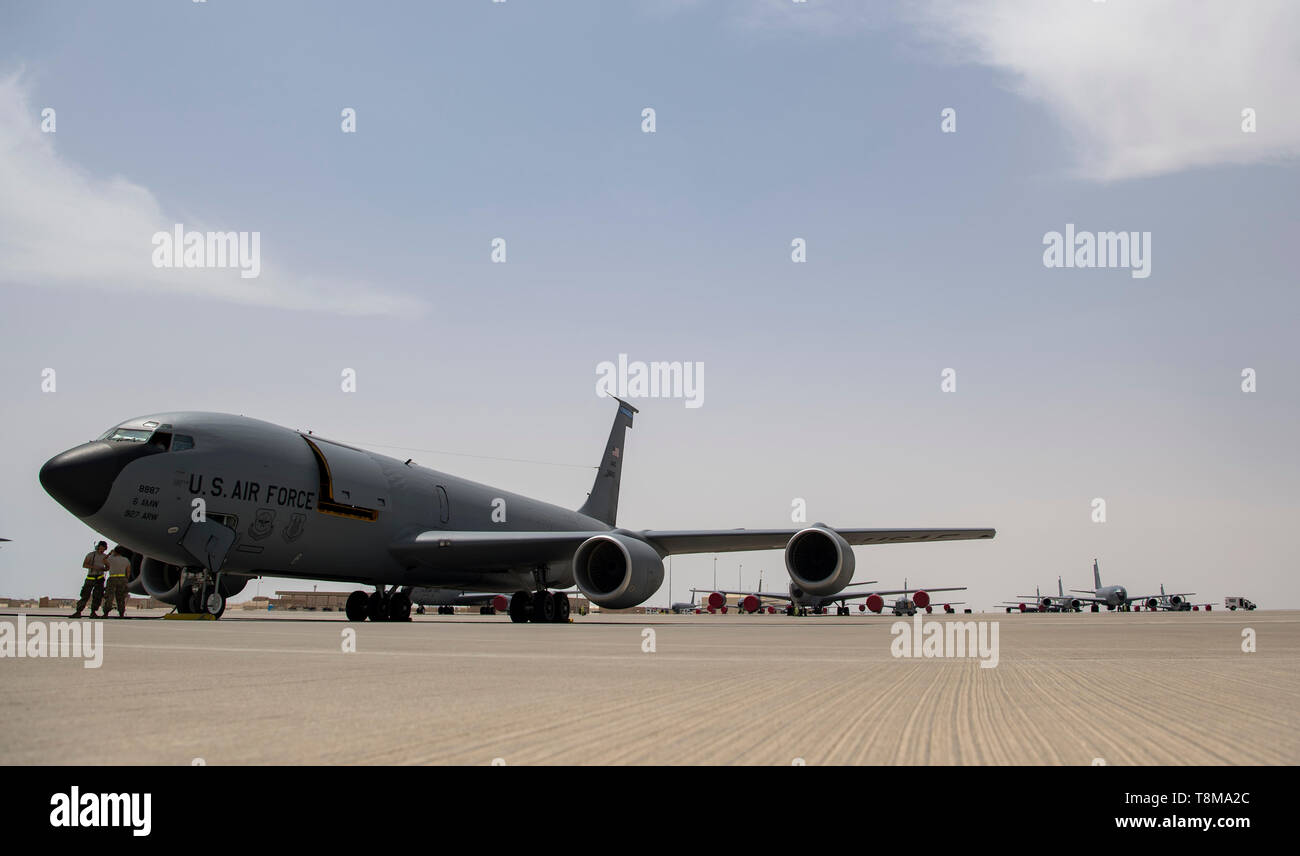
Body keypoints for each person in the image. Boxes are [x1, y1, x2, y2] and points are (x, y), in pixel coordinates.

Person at [73, 541, 109, 618]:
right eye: (101, 547)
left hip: (99, 578)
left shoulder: (105, 557)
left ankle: (93, 612)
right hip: (90, 577)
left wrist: (105, 568)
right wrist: (93, 567)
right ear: (98, 547)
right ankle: (78, 611)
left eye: (104, 548)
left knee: (98, 596)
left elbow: (107, 567)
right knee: (85, 595)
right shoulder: (91, 555)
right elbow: (84, 564)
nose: (102, 549)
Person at [103, 546, 131, 618]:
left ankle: (106, 613)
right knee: (121, 597)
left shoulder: (111, 559)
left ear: (115, 552)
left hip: (113, 578)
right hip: (122, 578)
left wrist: (109, 553)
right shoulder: (126, 560)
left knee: (109, 596)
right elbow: (128, 571)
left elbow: (104, 560)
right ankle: (121, 614)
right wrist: (126, 580)